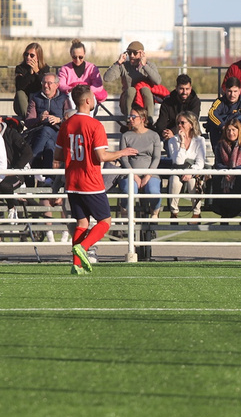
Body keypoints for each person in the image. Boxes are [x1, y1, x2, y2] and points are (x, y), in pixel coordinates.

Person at [54, 85, 138, 275]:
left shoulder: (66, 124)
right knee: (105, 221)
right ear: (87, 101)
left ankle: (76, 265)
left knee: (82, 223)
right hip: (90, 181)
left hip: (72, 182)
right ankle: (83, 248)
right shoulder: (95, 125)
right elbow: (101, 156)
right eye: (93, 97)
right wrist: (121, 152)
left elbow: (58, 154)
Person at [118, 106, 163, 220]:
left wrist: (148, 175)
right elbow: (124, 158)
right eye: (130, 117)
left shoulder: (154, 136)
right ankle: (125, 211)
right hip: (130, 172)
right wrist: (134, 176)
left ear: (143, 119)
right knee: (129, 190)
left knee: (153, 191)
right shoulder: (126, 136)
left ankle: (155, 211)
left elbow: (157, 157)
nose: (130, 119)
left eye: (133, 117)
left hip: (150, 172)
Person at [24, 73, 71, 177]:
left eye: (49, 83)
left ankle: (30, 162)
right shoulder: (35, 97)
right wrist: (39, 119)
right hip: (38, 133)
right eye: (44, 83)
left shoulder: (64, 98)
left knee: (47, 131)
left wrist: (59, 120)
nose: (46, 86)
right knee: (48, 142)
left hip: (58, 133)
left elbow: (70, 120)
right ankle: (48, 177)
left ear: (57, 85)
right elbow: (28, 122)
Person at [103, 41, 162, 116]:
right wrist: (118, 63)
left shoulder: (149, 66)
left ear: (142, 54)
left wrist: (144, 66)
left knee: (145, 89)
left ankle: (149, 120)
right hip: (128, 103)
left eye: (135, 53)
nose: (132, 55)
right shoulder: (123, 66)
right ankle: (129, 119)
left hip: (143, 104)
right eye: (129, 52)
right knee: (131, 90)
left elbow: (157, 81)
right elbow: (107, 78)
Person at [166, 111, 206, 219]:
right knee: (174, 180)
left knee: (193, 182)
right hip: (178, 170)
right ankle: (174, 212)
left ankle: (196, 213)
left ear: (191, 124)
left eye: (183, 123)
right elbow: (178, 162)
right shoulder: (173, 140)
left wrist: (190, 172)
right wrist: (182, 142)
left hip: (193, 171)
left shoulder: (200, 140)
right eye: (178, 123)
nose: (180, 125)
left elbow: (200, 162)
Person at [206, 76, 241, 149]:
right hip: (224, 132)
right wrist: (224, 127)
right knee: (213, 127)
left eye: (235, 91)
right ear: (225, 90)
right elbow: (212, 114)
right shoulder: (219, 102)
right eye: (229, 91)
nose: (232, 95)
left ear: (240, 91)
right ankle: (218, 153)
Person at [57, 39, 108, 112]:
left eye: (80, 57)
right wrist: (71, 89)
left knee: (90, 99)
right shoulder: (65, 69)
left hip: (88, 95)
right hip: (71, 96)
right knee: (69, 99)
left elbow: (98, 84)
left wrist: (85, 90)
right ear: (71, 55)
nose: (77, 60)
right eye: (74, 57)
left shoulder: (92, 68)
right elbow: (61, 85)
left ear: (84, 54)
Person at [156, 74, 202, 141]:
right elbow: (161, 122)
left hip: (190, 134)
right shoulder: (167, 102)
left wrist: (173, 132)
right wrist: (164, 132)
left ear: (191, 88)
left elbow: (191, 121)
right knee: (170, 143)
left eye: (187, 89)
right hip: (170, 136)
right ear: (176, 88)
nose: (184, 92)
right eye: (181, 89)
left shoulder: (195, 102)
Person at [14, 42, 51, 118]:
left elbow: (45, 85)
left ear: (38, 57)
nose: (28, 57)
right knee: (20, 93)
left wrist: (37, 72)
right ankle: (28, 120)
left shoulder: (45, 68)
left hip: (38, 99)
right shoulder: (20, 68)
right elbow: (19, 86)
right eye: (26, 54)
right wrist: (29, 74)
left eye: (32, 55)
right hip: (24, 102)